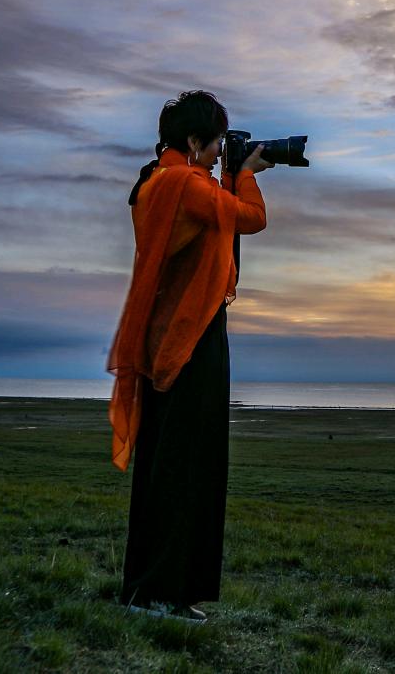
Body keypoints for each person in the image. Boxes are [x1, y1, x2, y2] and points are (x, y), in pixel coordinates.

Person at [106, 90, 273, 623]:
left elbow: (216, 222)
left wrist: (225, 174)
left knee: (169, 464)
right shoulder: (182, 184)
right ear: (196, 141)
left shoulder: (158, 181)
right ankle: (160, 594)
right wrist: (245, 174)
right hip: (190, 338)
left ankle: (153, 590)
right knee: (185, 465)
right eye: (218, 141)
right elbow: (250, 218)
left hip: (172, 335)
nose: (223, 150)